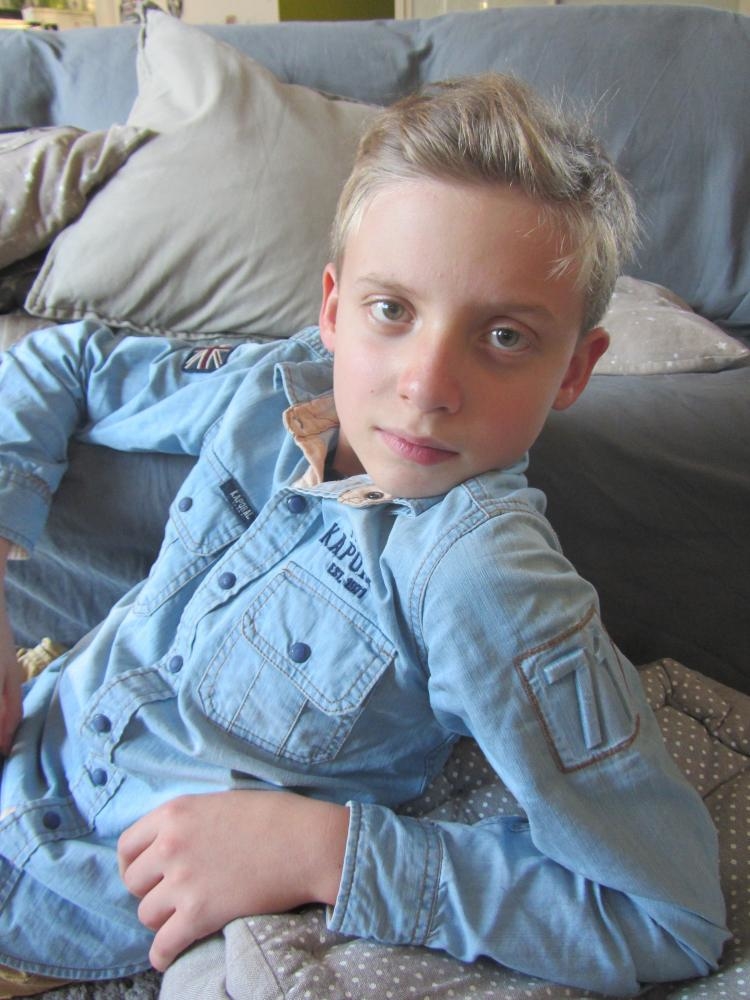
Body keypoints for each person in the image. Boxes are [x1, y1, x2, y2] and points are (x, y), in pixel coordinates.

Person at [0, 74, 728, 997]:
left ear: (575, 371)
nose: (425, 386)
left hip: (76, 915)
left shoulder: (486, 582)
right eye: (393, 311)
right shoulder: (279, 387)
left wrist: (327, 852)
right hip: (36, 725)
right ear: (334, 309)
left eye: (505, 337)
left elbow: (669, 916)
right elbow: (65, 359)